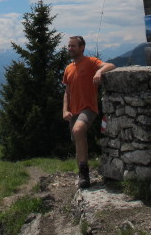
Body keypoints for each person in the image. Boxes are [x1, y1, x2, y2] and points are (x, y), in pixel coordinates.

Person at [62, 35, 115, 188]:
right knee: (78, 140)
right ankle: (81, 172)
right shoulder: (68, 68)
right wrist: (65, 110)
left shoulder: (91, 62)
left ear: (82, 47)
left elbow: (110, 65)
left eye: (73, 46)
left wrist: (99, 72)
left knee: (78, 131)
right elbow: (67, 92)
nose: (70, 49)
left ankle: (84, 175)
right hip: (73, 110)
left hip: (88, 108)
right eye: (69, 46)